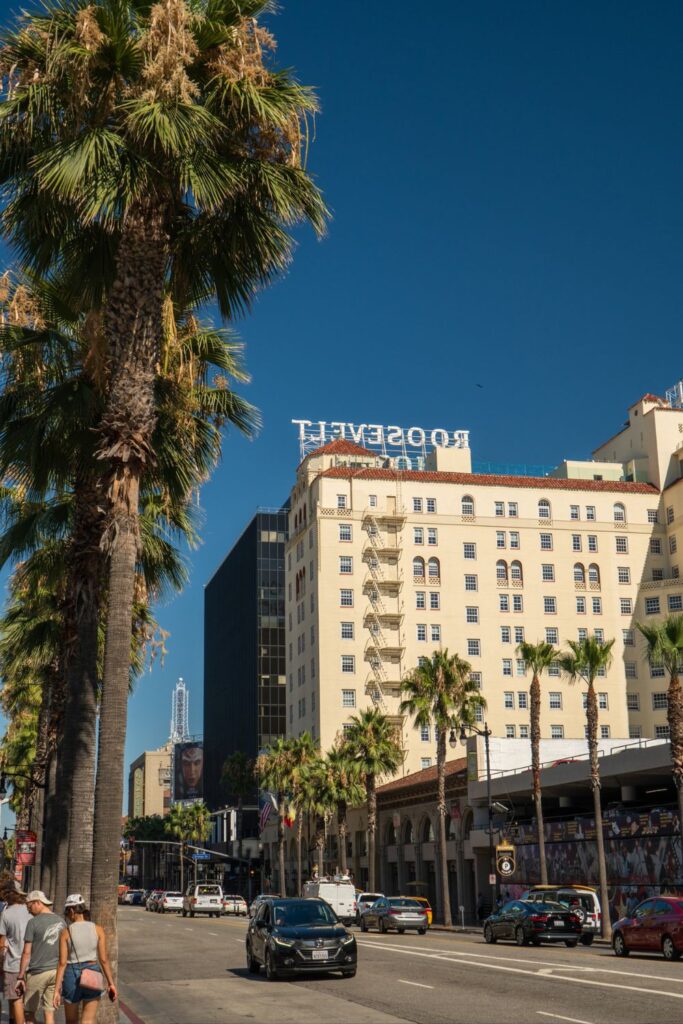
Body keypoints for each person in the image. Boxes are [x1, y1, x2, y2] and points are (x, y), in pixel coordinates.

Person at [53, 894, 116, 1022]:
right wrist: (111, 983)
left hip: (72, 974)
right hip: (93, 972)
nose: (67, 916)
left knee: (71, 1021)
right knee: (88, 1020)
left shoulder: (66, 932)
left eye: (67, 912)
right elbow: (104, 959)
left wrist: (56, 989)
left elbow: (62, 963)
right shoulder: (98, 929)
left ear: (71, 910)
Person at [16, 890, 64, 1024]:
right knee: (49, 1014)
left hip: (38, 972)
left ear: (38, 903)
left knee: (29, 1015)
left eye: (29, 907)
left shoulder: (33, 923)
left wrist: (20, 977)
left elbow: (26, 953)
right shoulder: (61, 921)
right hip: (55, 973)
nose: (29, 911)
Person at [0, 886, 30, 1024]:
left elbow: (2, 942)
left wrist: (1, 962)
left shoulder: (6, 914)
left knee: (16, 1000)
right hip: (31, 963)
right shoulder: (31, 911)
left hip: (12, 963)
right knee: (26, 1001)